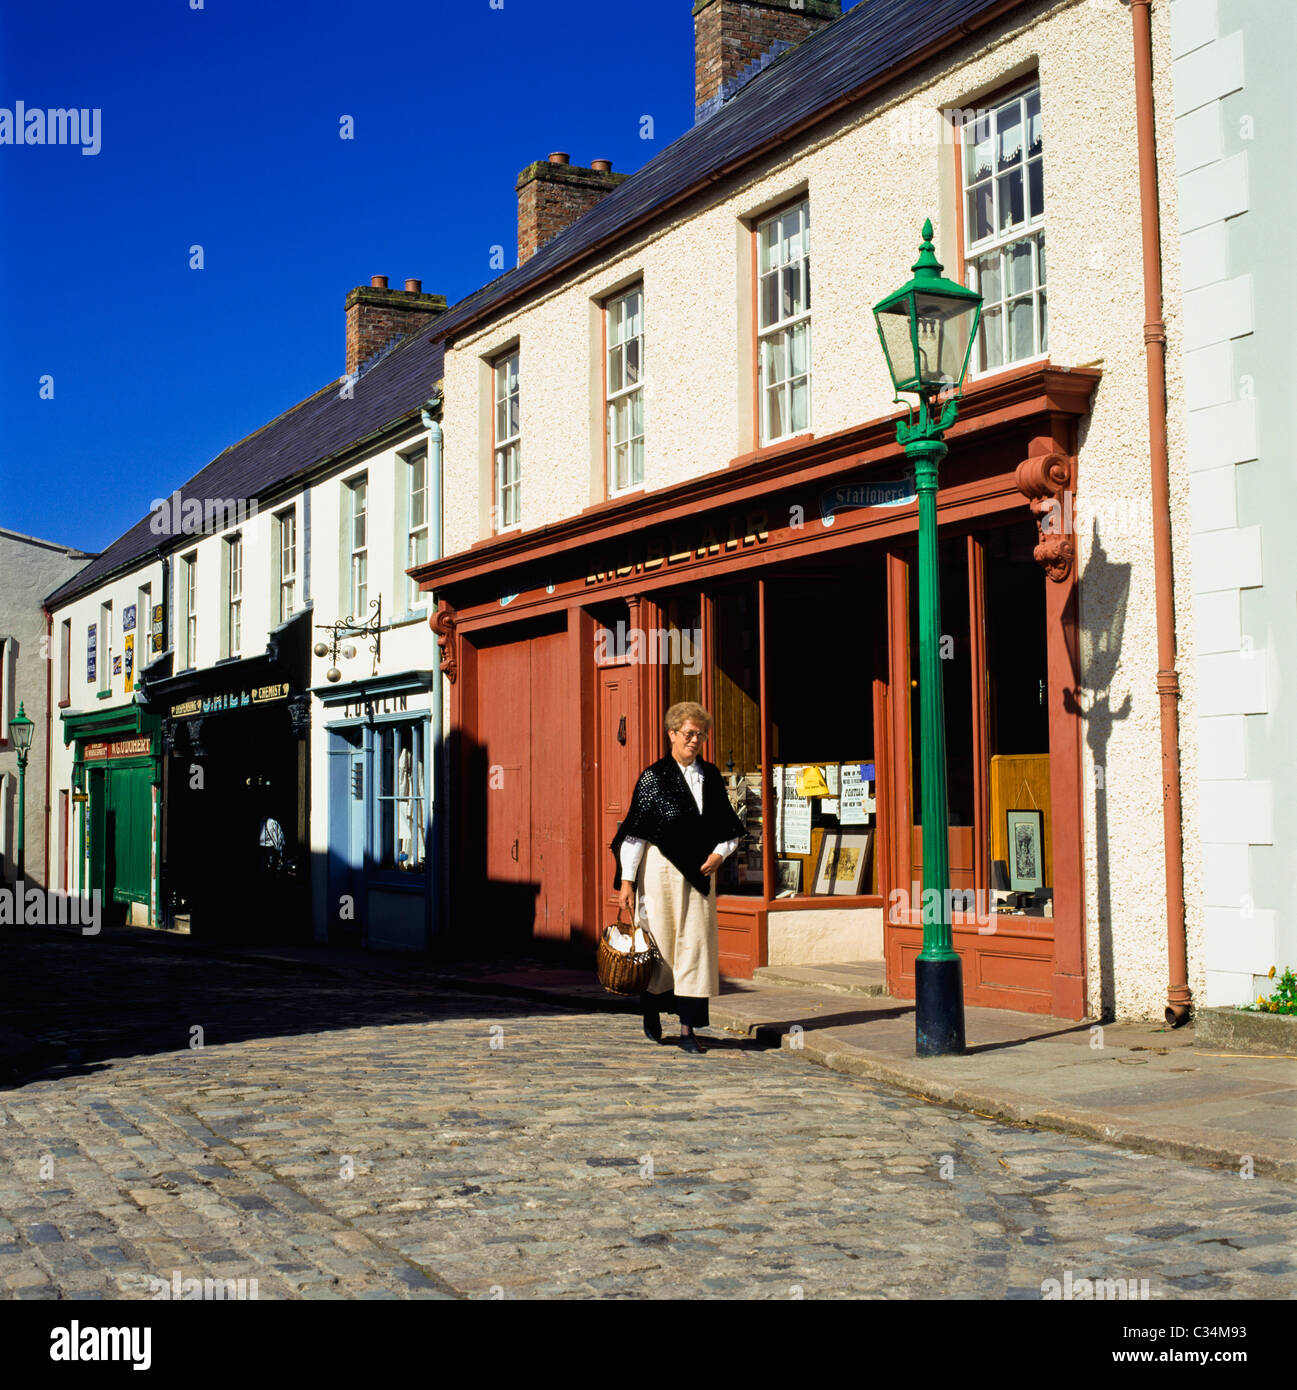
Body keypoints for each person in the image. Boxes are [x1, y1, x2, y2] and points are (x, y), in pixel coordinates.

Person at [610, 702, 745, 1054]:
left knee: (695, 948)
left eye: (701, 734)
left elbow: (730, 827)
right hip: (659, 871)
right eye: (689, 733)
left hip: (700, 873)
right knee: (662, 946)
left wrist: (720, 854)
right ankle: (651, 1011)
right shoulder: (653, 777)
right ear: (671, 733)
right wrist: (627, 882)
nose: (695, 740)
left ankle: (687, 1030)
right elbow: (635, 834)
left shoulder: (711, 777)